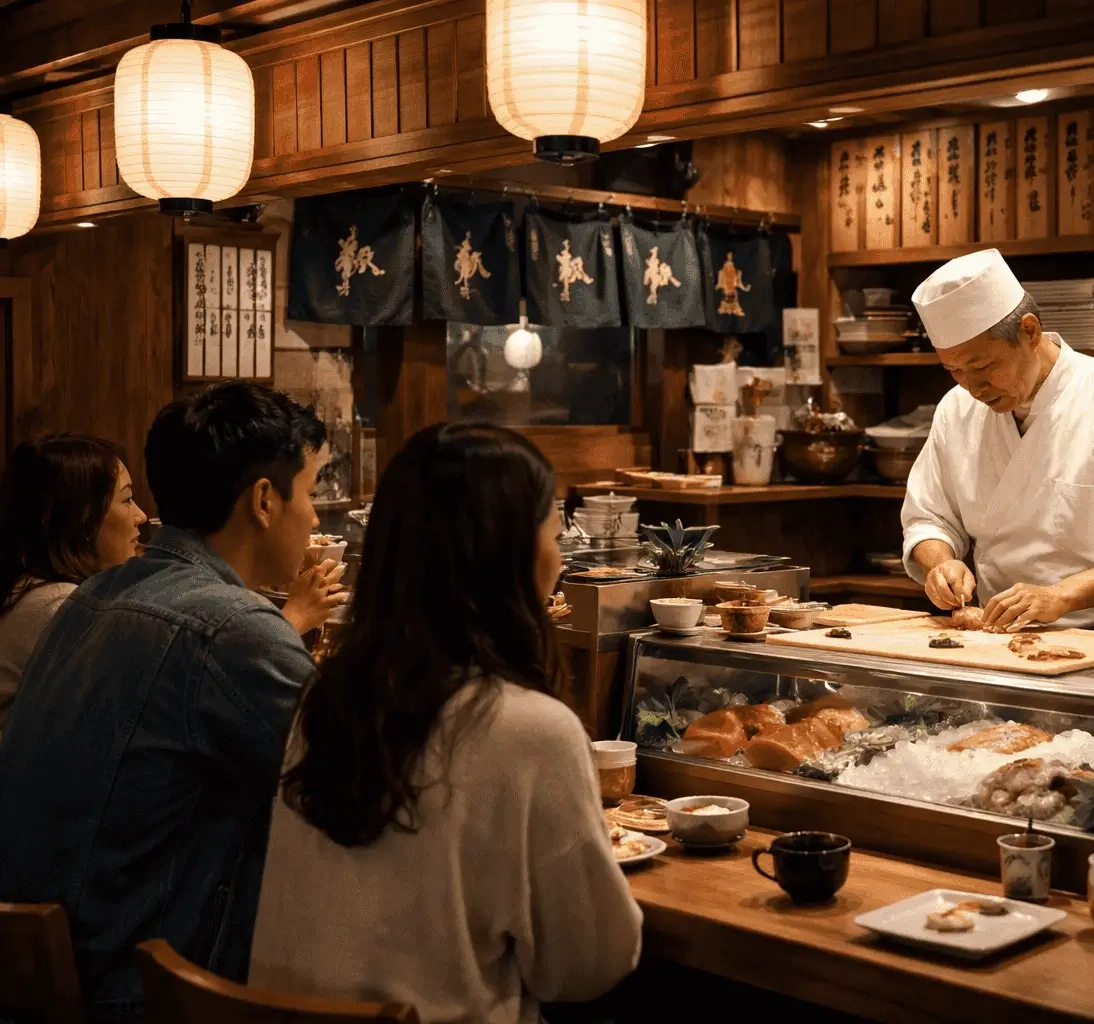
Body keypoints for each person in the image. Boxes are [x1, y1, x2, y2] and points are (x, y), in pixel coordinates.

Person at [250, 422, 642, 1024]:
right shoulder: (532, 730)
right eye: (551, 531)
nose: (560, 557)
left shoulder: (327, 694)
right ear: (510, 556)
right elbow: (588, 965)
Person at [0, 381, 345, 1022]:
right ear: (265, 501)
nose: (317, 517)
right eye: (313, 489)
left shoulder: (91, 598)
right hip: (140, 988)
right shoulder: (232, 629)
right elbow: (357, 791)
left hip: (43, 974)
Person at [902, 248, 1094, 633]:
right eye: (954, 370)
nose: (972, 387)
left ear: (1030, 331)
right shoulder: (956, 410)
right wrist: (940, 563)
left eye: (983, 366)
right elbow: (930, 518)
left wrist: (1060, 596)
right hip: (998, 639)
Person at [0, 434, 146, 732]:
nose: (141, 516)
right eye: (127, 499)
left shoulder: (35, 588)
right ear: (82, 516)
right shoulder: (58, 606)